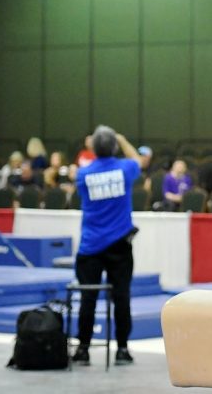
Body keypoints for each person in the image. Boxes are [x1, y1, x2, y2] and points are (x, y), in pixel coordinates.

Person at [72, 126, 140, 366]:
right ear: (114, 146)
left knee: (87, 298)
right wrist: (122, 137)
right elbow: (137, 159)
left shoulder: (82, 174)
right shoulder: (126, 169)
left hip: (90, 247)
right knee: (122, 298)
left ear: (93, 148)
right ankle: (122, 349)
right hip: (120, 248)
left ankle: (83, 349)